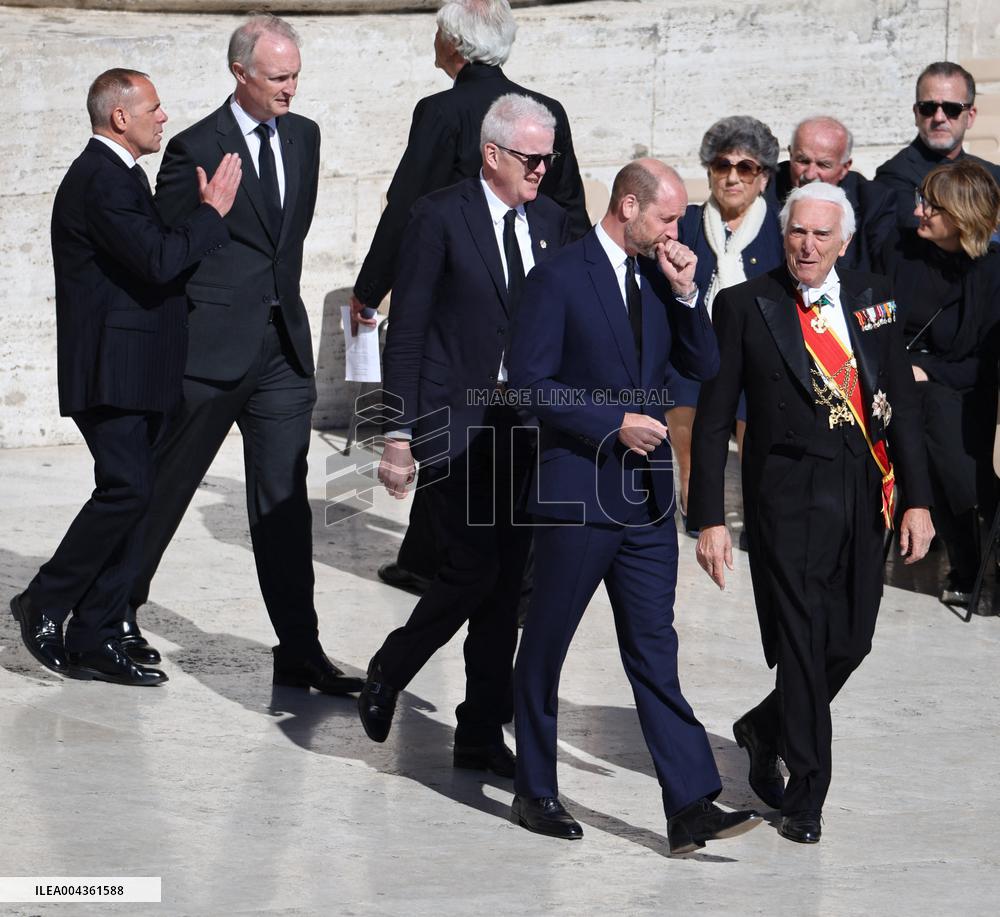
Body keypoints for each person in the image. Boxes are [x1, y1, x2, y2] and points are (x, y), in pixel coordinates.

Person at [507, 159, 762, 854]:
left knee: (655, 649)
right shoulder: (558, 277)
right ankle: (534, 788)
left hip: (647, 499)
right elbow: (528, 385)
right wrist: (610, 423)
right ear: (628, 206)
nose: (677, 231)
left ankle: (690, 803)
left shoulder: (661, 275)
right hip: (578, 493)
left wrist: (687, 295)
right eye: (668, 217)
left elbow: (705, 367)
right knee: (547, 646)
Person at [689, 182, 935, 844]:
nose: (807, 244)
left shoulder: (876, 297)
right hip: (787, 495)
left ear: (843, 242)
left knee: (850, 640)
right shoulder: (745, 305)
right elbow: (713, 420)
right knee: (802, 643)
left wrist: (918, 499)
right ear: (784, 235)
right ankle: (806, 791)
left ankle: (765, 725)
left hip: (865, 488)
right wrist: (709, 517)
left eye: (821, 234)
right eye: (798, 231)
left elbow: (901, 404)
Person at [126, 15, 363, 695]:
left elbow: (282, 245)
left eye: (296, 76)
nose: (291, 88)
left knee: (284, 504)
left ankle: (300, 649)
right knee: (164, 489)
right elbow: (164, 253)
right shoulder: (195, 147)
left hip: (282, 352)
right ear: (240, 73)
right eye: (278, 77)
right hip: (209, 351)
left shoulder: (305, 136)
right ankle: (115, 612)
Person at [357, 95, 570, 777]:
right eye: (531, 158)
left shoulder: (552, 222)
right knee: (472, 570)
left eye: (548, 158)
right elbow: (408, 329)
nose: (541, 169)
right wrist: (397, 432)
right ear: (492, 153)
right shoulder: (439, 215)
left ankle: (478, 731)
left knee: (506, 590)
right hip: (458, 423)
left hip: (525, 429)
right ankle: (393, 664)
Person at [349, 0, 588, 594]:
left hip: (458, 292)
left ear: (455, 44)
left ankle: (460, 575)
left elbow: (406, 205)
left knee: (455, 419)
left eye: (438, 31)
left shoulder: (441, 110)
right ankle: (438, 564)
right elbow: (574, 214)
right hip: (529, 298)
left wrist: (371, 287)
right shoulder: (547, 111)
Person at [9, 69, 240, 685]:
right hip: (112, 371)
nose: (164, 118)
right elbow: (159, 259)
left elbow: (150, 256)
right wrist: (211, 214)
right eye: (154, 108)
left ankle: (97, 633)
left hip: (139, 369)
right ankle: (44, 600)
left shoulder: (122, 176)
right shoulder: (100, 180)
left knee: (138, 496)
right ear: (120, 117)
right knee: (127, 491)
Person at [881, 160, 1000, 607]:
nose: (919, 212)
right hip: (897, 383)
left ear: (962, 216)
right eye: (921, 201)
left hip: (963, 393)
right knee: (928, 412)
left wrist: (928, 373)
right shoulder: (900, 252)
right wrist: (908, 371)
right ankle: (973, 540)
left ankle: (965, 556)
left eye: (931, 206)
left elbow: (984, 366)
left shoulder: (991, 273)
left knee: (934, 414)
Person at [668, 116, 783, 531]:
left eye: (745, 167)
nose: (732, 177)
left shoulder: (780, 227)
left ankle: (757, 521)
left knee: (757, 422)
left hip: (759, 355)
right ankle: (695, 504)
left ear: (763, 177)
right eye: (722, 166)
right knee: (681, 392)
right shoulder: (687, 223)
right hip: (696, 350)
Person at [875, 61, 1000, 229]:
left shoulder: (993, 176)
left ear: (970, 116)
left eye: (952, 108)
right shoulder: (894, 175)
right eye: (928, 108)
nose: (939, 118)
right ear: (916, 114)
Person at [769, 116, 896, 272]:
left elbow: (883, 275)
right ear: (790, 155)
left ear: (845, 167)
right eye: (803, 161)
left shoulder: (873, 202)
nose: (810, 174)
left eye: (823, 165)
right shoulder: (766, 189)